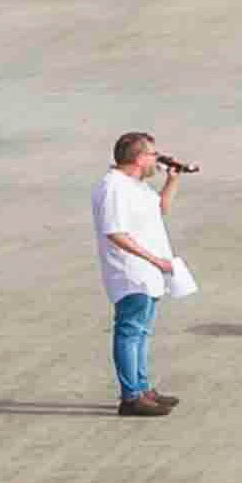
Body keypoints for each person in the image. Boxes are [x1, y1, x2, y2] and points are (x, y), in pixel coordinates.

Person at [97, 128, 194, 417]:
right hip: (130, 273)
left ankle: (142, 387)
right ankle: (131, 396)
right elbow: (114, 232)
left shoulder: (136, 186)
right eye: (152, 154)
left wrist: (172, 180)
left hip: (149, 272)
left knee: (142, 332)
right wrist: (154, 259)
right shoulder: (113, 187)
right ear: (138, 158)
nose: (156, 160)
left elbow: (160, 209)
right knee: (130, 331)